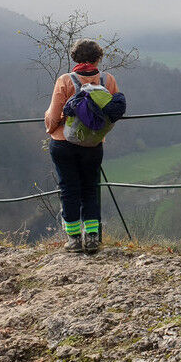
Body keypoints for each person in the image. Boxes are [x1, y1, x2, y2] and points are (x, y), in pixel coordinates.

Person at [43, 39, 120, 254]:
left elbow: (52, 118)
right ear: (98, 59)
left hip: (63, 144)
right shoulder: (108, 80)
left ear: (75, 58)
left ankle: (74, 240)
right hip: (93, 145)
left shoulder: (65, 81)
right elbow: (112, 113)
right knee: (90, 189)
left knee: (69, 190)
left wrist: (50, 123)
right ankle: (93, 238)